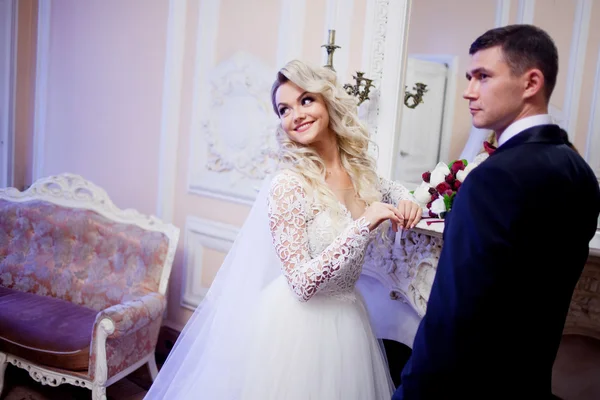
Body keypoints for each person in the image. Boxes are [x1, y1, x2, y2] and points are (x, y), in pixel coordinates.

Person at [144, 59, 422, 400]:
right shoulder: (288, 185)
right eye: (284, 109)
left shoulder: (360, 173)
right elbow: (303, 284)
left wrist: (409, 200)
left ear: (328, 102)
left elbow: (394, 190)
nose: (295, 115)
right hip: (296, 328)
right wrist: (364, 224)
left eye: (306, 100)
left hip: (348, 319)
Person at [393, 24, 600, 399]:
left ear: (531, 82)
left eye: (483, 77)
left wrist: (410, 392)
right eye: (469, 77)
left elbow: (452, 315)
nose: (468, 91)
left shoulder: (494, 178)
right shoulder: (580, 172)